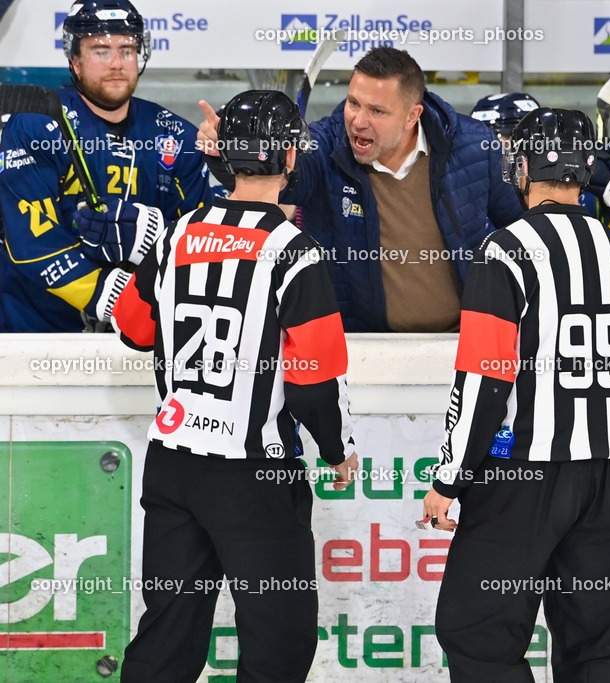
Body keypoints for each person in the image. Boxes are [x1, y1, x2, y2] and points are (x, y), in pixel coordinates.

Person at [422, 108, 610, 681]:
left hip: (521, 478)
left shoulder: (506, 251)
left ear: (522, 167)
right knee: (599, 644)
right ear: (585, 170)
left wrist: (451, 476)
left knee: (479, 633)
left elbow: (485, 377)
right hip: (609, 479)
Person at [111, 90, 359, 682]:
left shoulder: (174, 235)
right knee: (280, 639)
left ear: (224, 156)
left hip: (173, 463)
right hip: (255, 474)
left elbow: (131, 327)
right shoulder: (294, 252)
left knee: (168, 632)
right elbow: (313, 376)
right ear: (291, 161)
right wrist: (334, 448)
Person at [199, 46, 521, 332]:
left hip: (460, 343)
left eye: (377, 111)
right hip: (359, 348)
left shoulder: (475, 147)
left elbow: (521, 228)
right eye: (354, 103)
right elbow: (277, 181)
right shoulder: (325, 146)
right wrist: (229, 155)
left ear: (413, 115)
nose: (358, 121)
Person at [0, 0, 212, 332]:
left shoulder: (177, 135)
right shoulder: (34, 126)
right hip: (35, 333)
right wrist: (111, 295)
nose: (116, 63)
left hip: (142, 332)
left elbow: (207, 243)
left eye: (126, 50)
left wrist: (160, 237)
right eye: (100, 51)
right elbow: (32, 243)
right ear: (75, 60)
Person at [470, 92, 610, 286]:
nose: (506, 152)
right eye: (495, 141)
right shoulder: (462, 201)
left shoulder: (585, 198)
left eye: (515, 139)